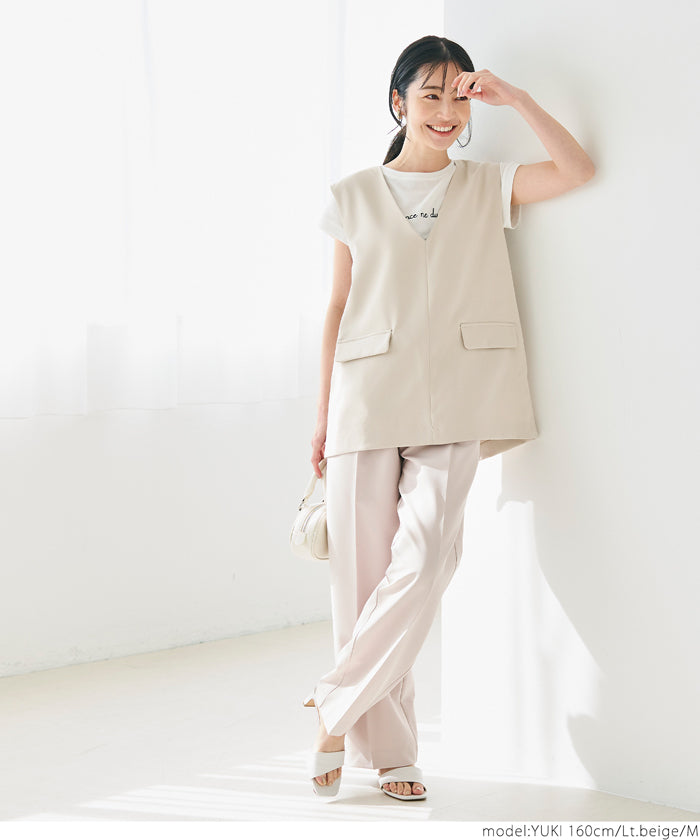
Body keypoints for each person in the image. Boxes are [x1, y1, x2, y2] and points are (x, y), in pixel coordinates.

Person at [304, 34, 595, 801]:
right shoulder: (351, 195)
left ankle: (334, 706)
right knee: (362, 584)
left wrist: (516, 99)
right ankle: (392, 753)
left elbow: (577, 170)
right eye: (428, 95)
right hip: (366, 395)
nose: (444, 111)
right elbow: (336, 307)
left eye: (456, 95)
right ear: (397, 102)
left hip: (459, 392)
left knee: (428, 556)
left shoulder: (486, 184)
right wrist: (322, 415)